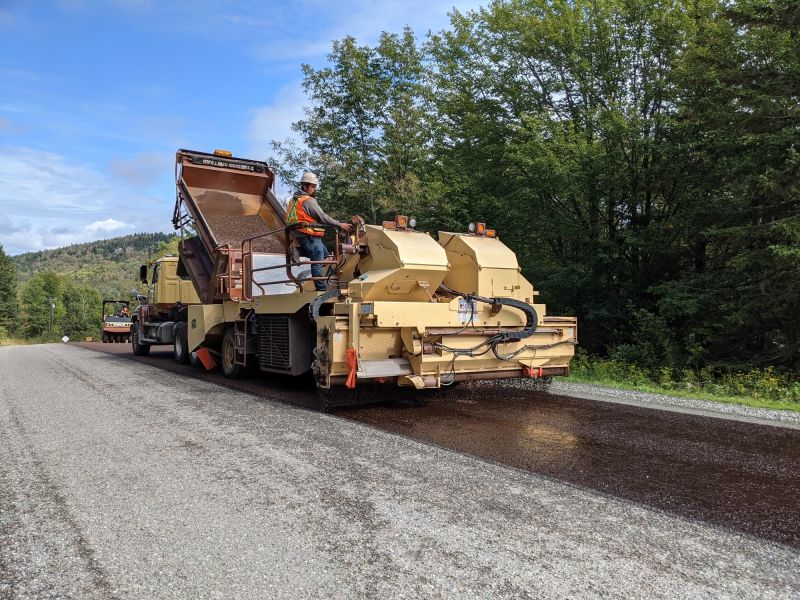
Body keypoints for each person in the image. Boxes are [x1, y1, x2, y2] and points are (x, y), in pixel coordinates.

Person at [285, 172, 352, 291]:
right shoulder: (308, 201)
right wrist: (339, 224)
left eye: (315, 186)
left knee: (327, 257)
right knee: (318, 260)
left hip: (301, 235)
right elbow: (322, 217)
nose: (314, 189)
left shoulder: (293, 200)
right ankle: (320, 289)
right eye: (312, 186)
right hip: (309, 235)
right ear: (304, 186)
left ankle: (297, 250)